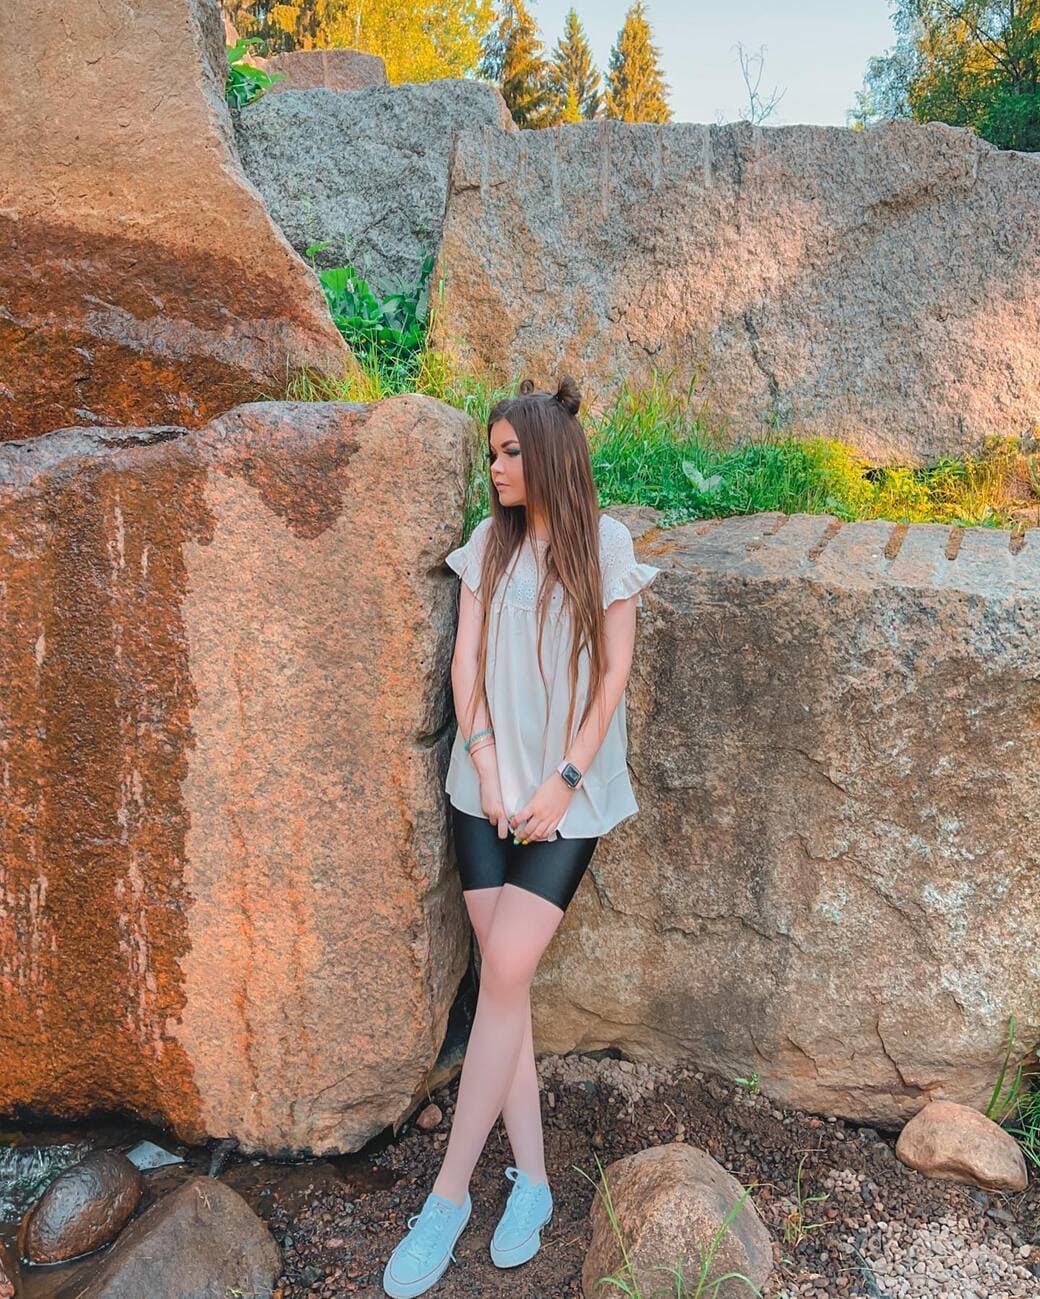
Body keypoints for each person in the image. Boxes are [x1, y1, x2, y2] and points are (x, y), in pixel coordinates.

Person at [382, 376, 660, 1299]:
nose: (495, 468)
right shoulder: (489, 545)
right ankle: (533, 1182)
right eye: (492, 453)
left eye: (508, 453)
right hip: (484, 793)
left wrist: (560, 780)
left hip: (564, 801)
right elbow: (464, 665)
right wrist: (490, 766)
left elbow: (613, 674)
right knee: (507, 987)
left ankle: (448, 1196)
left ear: (545, 455)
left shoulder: (604, 546)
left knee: (503, 972)